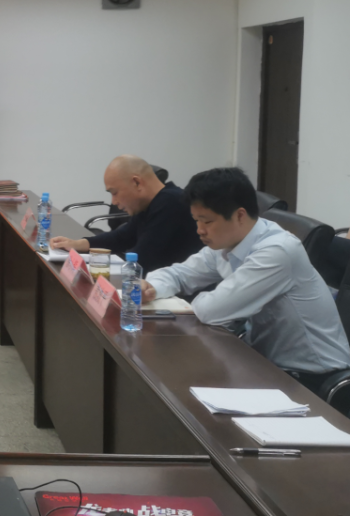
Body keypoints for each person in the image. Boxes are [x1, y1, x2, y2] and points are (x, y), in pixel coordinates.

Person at [141, 167, 350, 392]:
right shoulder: (227, 242)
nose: (199, 230)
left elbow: (212, 311)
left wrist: (197, 300)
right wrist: (152, 286)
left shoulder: (277, 251)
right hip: (264, 360)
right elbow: (181, 273)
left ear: (240, 215)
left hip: (313, 378)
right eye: (196, 220)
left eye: (207, 222)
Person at [50, 155, 202, 271]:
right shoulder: (152, 202)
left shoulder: (171, 202)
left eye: (114, 193)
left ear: (137, 182)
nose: (114, 201)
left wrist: (92, 264)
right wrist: (78, 244)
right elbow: (122, 237)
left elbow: (141, 259)